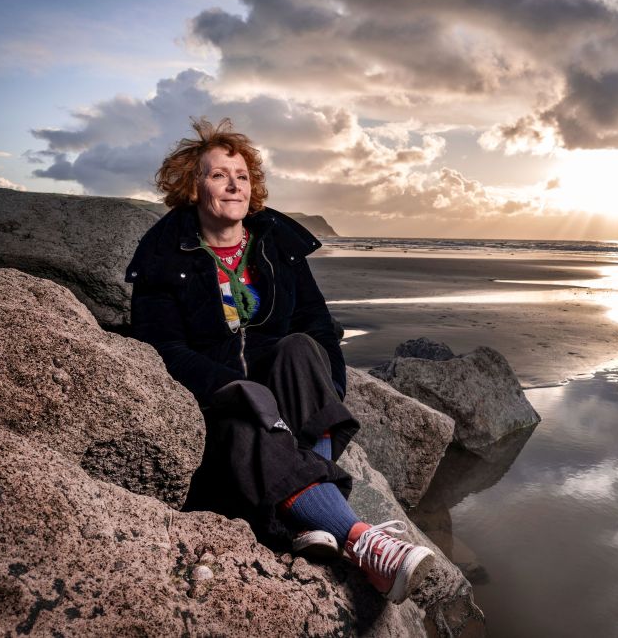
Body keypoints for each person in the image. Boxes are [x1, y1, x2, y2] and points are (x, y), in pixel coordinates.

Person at [126, 117, 433, 604]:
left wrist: (329, 390)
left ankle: (306, 508)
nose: (235, 185)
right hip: (218, 410)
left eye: (242, 175)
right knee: (246, 418)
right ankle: (364, 544)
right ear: (192, 187)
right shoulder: (164, 259)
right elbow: (162, 348)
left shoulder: (277, 247)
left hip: (288, 409)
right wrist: (237, 388)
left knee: (301, 347)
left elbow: (318, 325)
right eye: (219, 174)